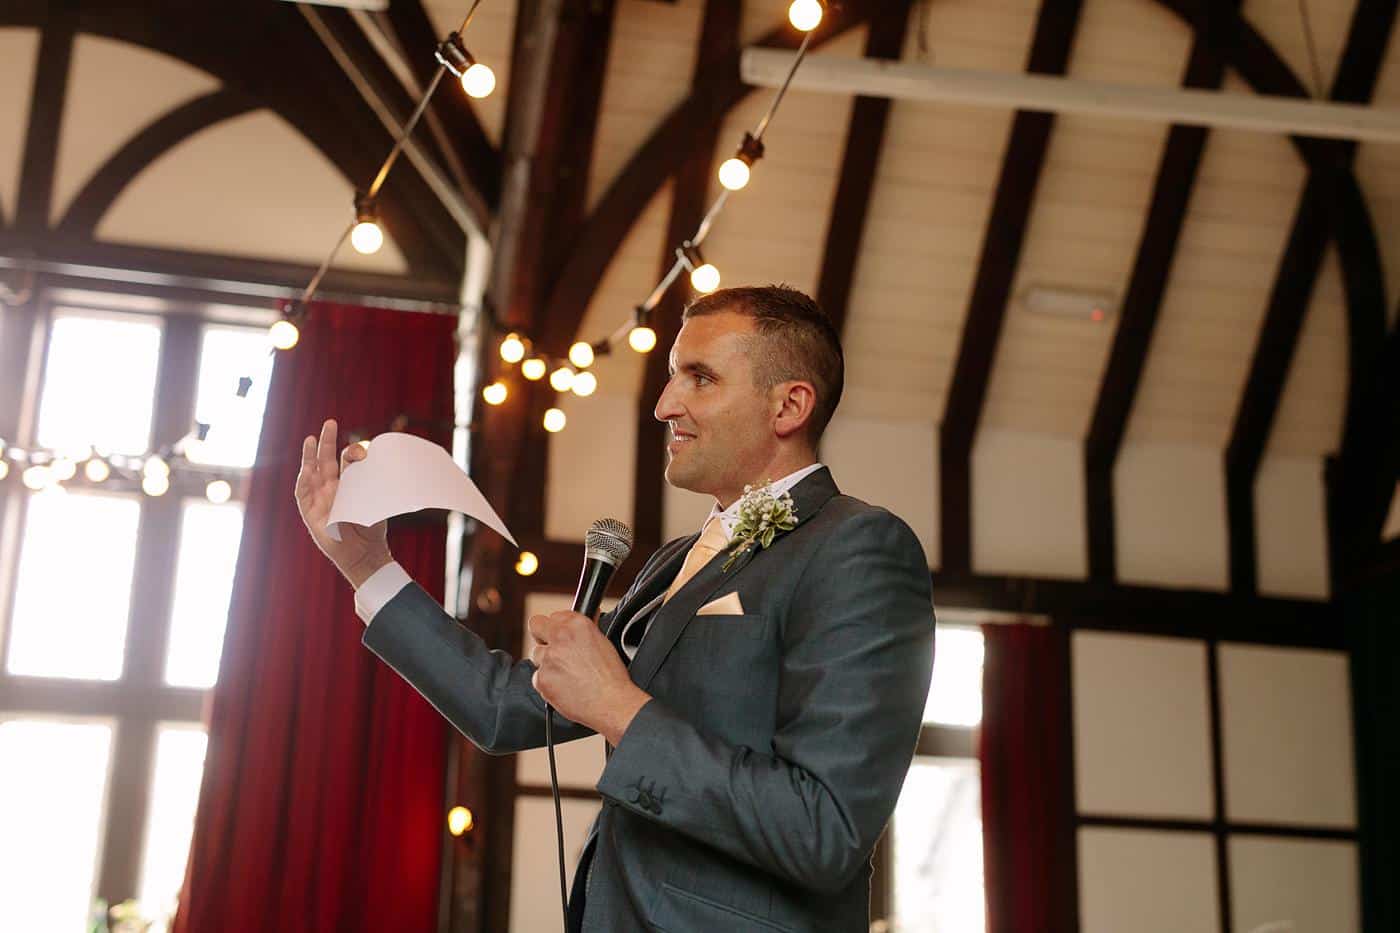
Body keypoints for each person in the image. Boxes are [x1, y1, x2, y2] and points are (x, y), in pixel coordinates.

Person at [295, 285, 935, 932]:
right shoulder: (673, 563)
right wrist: (367, 567)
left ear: (789, 404)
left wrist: (619, 707)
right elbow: (506, 707)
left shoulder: (858, 547)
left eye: (700, 378)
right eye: (669, 378)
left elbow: (823, 828)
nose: (664, 406)